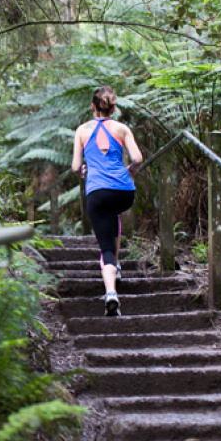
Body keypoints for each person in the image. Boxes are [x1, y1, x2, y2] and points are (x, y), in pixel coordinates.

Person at [71, 86, 143, 316]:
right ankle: (118, 267)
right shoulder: (122, 128)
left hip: (98, 193)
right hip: (124, 192)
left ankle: (111, 293)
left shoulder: (82, 130)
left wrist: (82, 171)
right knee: (114, 213)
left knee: (106, 248)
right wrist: (129, 171)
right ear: (113, 108)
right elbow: (138, 159)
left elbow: (75, 167)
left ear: (93, 106)